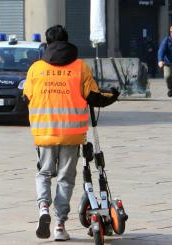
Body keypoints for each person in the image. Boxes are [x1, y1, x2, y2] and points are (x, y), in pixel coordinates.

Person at [23, 25, 119, 241]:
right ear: (67, 42)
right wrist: (112, 95)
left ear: (47, 44)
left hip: (45, 132)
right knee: (66, 179)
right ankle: (59, 225)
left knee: (44, 173)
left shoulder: (36, 69)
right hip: (72, 133)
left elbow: (26, 96)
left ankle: (44, 208)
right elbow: (94, 96)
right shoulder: (79, 67)